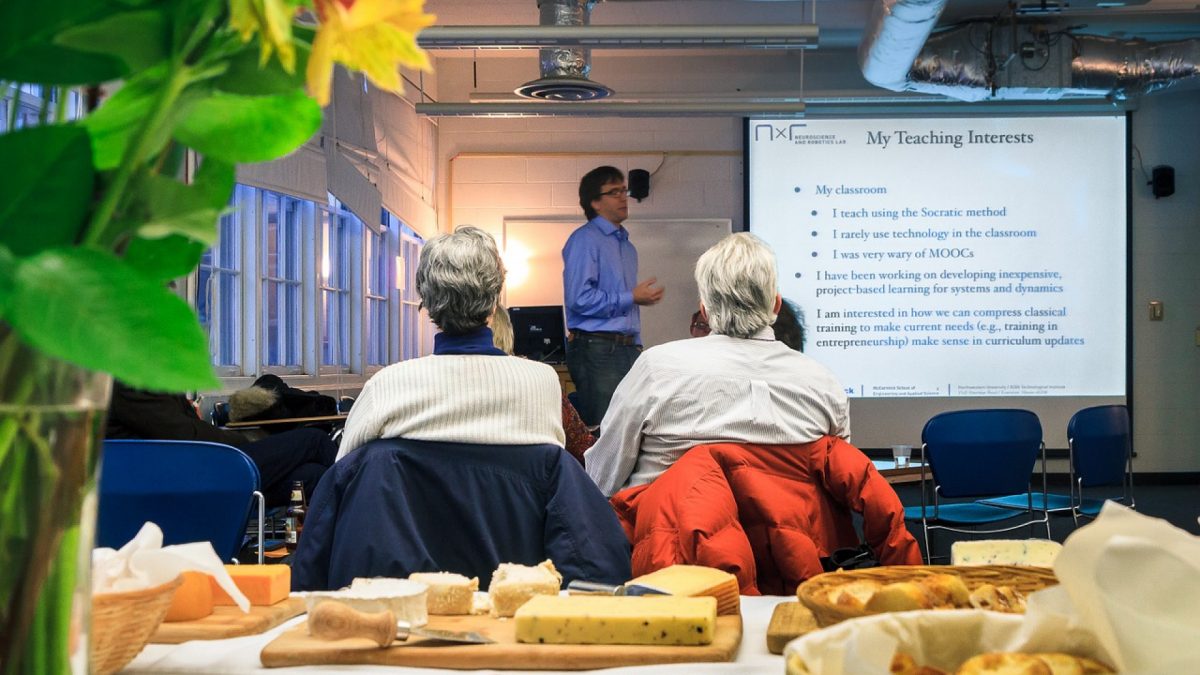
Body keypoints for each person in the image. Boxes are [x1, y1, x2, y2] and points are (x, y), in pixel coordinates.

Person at [584, 232, 851, 497]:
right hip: (791, 536)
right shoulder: (824, 384)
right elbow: (840, 484)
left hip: (675, 536)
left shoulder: (656, 370)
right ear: (776, 305)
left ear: (705, 311)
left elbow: (601, 479)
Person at [335, 226, 564, 460]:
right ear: (495, 302)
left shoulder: (385, 387)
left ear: (426, 303)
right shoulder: (542, 382)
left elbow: (344, 476)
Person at [105, 382, 336, 507]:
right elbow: (185, 435)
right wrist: (242, 440)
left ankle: (333, 552)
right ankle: (364, 518)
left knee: (311, 475)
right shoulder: (130, 382)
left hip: (197, 466)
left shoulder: (138, 378)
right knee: (314, 439)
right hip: (191, 475)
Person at [562, 165, 664, 427]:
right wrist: (631, 297)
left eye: (624, 190)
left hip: (626, 348)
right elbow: (579, 298)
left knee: (631, 427)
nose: (623, 197)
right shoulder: (585, 240)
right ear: (595, 202)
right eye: (614, 192)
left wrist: (636, 343)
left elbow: (626, 303)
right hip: (597, 349)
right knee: (607, 430)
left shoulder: (627, 247)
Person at [490, 303, 595, 465]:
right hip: (533, 480)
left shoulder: (447, 380)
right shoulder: (542, 379)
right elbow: (584, 449)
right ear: (508, 331)